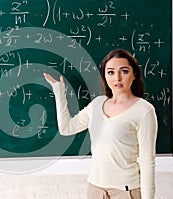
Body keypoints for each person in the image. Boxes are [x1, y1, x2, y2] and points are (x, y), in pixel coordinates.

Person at [43, 48, 158, 199]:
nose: (117, 78)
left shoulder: (144, 111)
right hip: (95, 189)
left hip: (126, 190)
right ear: (104, 76)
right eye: (110, 72)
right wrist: (59, 91)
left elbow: (147, 161)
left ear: (134, 74)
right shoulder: (97, 104)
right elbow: (67, 128)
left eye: (124, 71)